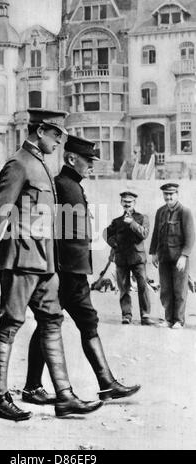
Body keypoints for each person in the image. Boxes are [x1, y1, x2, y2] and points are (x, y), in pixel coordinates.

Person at [0, 109, 103, 421]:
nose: (60, 143)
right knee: (10, 324)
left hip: (44, 261)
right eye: (57, 135)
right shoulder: (19, 163)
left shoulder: (41, 164)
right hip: (20, 259)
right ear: (41, 130)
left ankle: (66, 396)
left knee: (52, 321)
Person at [22, 135, 141, 403]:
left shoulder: (72, 184)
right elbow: (52, 230)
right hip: (65, 272)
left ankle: (37, 386)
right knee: (69, 323)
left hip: (72, 270)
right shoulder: (62, 185)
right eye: (88, 160)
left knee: (56, 324)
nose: (91, 165)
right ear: (71, 158)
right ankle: (103, 383)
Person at [104, 191, 154, 325]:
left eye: (130, 202)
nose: (127, 205)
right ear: (121, 203)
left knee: (143, 287)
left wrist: (132, 223)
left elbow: (144, 234)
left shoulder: (142, 218)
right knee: (123, 288)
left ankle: (145, 315)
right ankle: (126, 315)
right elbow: (106, 234)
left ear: (134, 203)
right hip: (122, 259)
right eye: (125, 202)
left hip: (137, 259)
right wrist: (114, 243)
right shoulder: (117, 221)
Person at [149, 183, 195, 329]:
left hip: (178, 258)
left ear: (177, 194)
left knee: (179, 290)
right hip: (164, 257)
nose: (168, 197)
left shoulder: (185, 212)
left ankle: (178, 320)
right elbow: (156, 233)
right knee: (166, 290)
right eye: (166, 194)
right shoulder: (160, 212)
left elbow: (190, 237)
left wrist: (184, 256)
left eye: (171, 194)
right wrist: (153, 253)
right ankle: (168, 319)